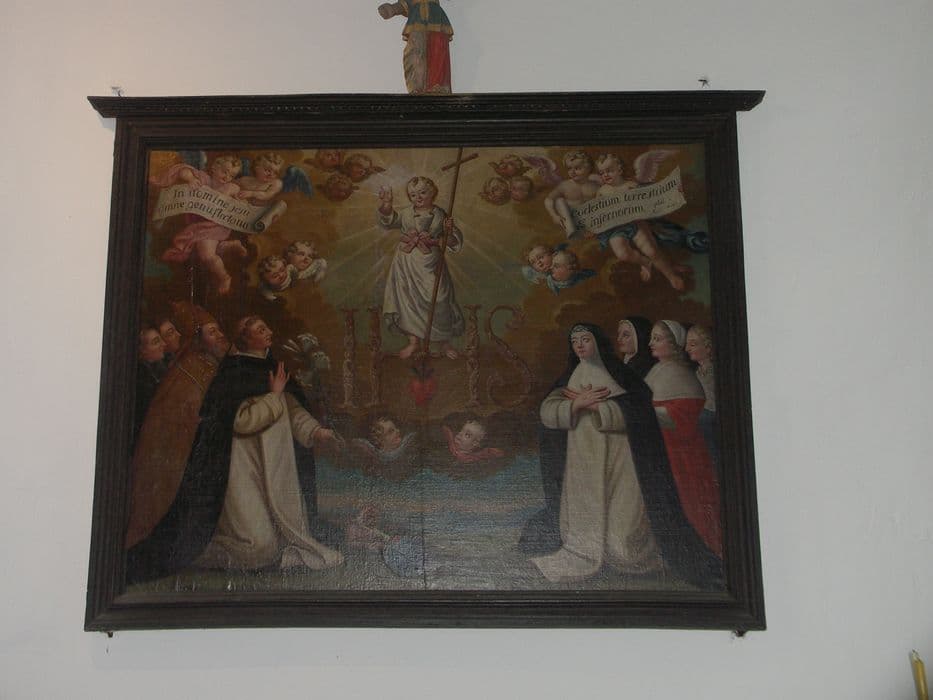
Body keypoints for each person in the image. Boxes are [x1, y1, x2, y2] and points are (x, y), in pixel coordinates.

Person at [126, 316, 344, 583]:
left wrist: (316, 431)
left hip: (274, 473)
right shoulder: (232, 373)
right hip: (242, 477)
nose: (269, 331)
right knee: (260, 550)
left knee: (280, 541)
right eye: (260, 329)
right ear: (244, 337)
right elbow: (241, 421)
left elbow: (292, 409)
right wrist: (273, 397)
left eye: (266, 326)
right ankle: (202, 550)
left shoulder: (274, 368)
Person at [526, 323, 722, 587]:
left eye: (585, 339)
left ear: (597, 342)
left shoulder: (619, 374)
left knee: (624, 546)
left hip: (623, 460)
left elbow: (639, 409)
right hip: (583, 460)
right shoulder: (571, 376)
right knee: (585, 527)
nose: (580, 345)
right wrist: (575, 404)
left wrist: (601, 408)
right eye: (575, 341)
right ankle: (586, 550)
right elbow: (547, 411)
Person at [125, 307, 231, 548]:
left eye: (172, 333)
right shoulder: (186, 369)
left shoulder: (201, 363)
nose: (220, 336)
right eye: (212, 332)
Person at [644, 320, 722, 557]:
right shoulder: (656, 371)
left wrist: (647, 414)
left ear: (674, 344)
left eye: (657, 339)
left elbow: (685, 418)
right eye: (652, 338)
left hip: (683, 454)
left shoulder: (682, 375)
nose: (651, 343)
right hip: (662, 449)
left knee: (688, 502)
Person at [378, 176, 464, 359]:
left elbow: (452, 242)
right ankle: (413, 342)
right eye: (413, 194)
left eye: (423, 192)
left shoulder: (440, 214)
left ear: (433, 192)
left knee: (440, 298)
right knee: (408, 301)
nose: (418, 197)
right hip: (406, 263)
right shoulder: (406, 213)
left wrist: (449, 230)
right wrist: (386, 204)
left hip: (431, 262)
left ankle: (444, 343)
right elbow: (388, 220)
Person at [153, 154, 246, 295]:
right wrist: (191, 179)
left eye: (231, 175)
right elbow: (183, 170)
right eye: (224, 171)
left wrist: (233, 194)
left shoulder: (231, 186)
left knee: (207, 256)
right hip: (197, 225)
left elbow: (240, 200)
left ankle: (224, 277)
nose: (227, 177)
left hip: (215, 227)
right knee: (205, 250)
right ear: (214, 168)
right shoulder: (203, 179)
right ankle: (228, 245)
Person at [592, 154, 687, 290]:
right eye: (602, 172)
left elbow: (650, 200)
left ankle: (671, 276)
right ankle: (645, 262)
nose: (605, 175)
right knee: (623, 255)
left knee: (652, 251)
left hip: (635, 224)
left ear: (619, 169)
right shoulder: (602, 191)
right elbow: (596, 211)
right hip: (615, 228)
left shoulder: (632, 186)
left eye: (609, 170)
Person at [378, 0, 454, 95]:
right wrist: (392, 9)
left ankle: (438, 86)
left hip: (437, 18)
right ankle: (417, 87)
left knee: (438, 51)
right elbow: (404, 4)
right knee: (415, 52)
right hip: (417, 20)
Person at [686, 324, 719, 474]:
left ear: (708, 347)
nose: (687, 349)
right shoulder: (697, 373)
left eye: (693, 344)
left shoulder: (715, 373)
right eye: (687, 344)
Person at [543, 151, 601, 235]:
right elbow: (548, 199)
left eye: (577, 168)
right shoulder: (565, 185)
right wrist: (554, 215)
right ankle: (571, 232)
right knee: (559, 201)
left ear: (588, 168)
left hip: (592, 220)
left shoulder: (595, 184)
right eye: (569, 168)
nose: (572, 172)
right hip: (572, 220)